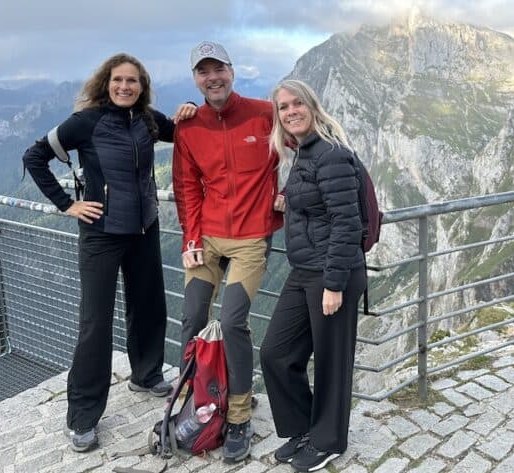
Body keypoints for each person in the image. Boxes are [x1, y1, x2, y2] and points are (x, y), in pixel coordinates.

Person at [22, 53, 195, 452]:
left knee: (149, 304)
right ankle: (82, 416)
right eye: (118, 80)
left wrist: (189, 111)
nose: (125, 87)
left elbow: (186, 133)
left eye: (132, 81)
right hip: (100, 234)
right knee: (95, 324)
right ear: (106, 82)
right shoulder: (86, 122)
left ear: (142, 85)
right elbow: (35, 156)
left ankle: (147, 374)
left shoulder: (149, 119)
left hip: (144, 228)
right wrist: (67, 204)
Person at [172, 40, 283, 463]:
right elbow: (186, 187)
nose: (212, 77)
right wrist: (190, 240)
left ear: (232, 72)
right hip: (208, 238)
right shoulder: (188, 126)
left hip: (252, 238)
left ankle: (238, 416)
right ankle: (195, 399)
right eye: (203, 71)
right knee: (192, 318)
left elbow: (304, 148)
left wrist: (289, 191)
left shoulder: (264, 113)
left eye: (218, 69)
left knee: (233, 322)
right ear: (196, 79)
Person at [259, 79, 367, 472]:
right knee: (276, 353)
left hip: (332, 273)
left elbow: (346, 221)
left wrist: (335, 283)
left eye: (296, 103)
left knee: (331, 362)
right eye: (283, 107)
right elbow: (318, 203)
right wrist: (287, 201)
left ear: (312, 106)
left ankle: (328, 441)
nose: (290, 111)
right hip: (304, 270)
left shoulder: (332, 154)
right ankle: (304, 426)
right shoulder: (305, 153)